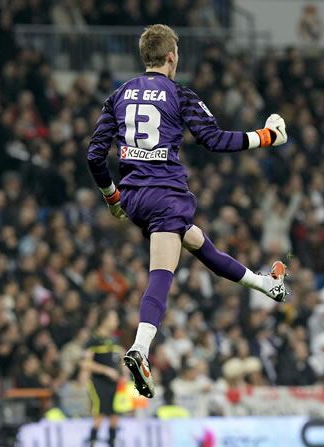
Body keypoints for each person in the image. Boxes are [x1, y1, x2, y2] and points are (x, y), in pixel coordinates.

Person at [86, 24, 289, 398]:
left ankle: (265, 284)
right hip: (165, 193)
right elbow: (214, 140)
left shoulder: (117, 96)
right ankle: (140, 349)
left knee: (196, 241)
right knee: (162, 272)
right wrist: (266, 137)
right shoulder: (178, 94)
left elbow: (95, 155)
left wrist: (112, 197)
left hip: (134, 197)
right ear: (171, 56)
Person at [81, 309, 123, 447]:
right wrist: (106, 371)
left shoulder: (115, 340)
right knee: (99, 416)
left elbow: (119, 360)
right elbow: (85, 363)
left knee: (114, 417)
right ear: (104, 320)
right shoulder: (93, 340)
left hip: (114, 384)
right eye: (113, 318)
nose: (116, 321)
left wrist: (123, 372)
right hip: (98, 382)